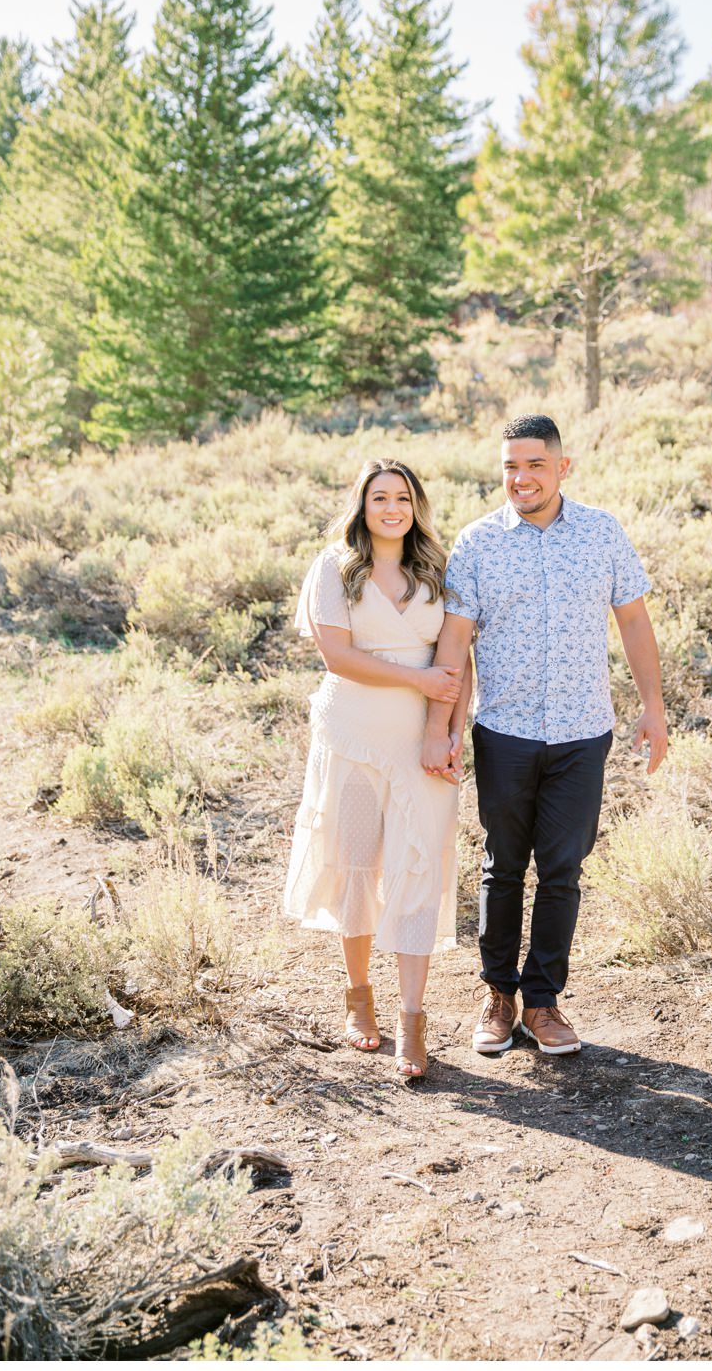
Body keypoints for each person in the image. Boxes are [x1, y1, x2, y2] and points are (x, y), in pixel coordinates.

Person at [423, 414, 668, 1058]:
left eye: (535, 464)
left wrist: (654, 707)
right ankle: (498, 995)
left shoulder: (601, 532)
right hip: (503, 731)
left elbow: (635, 623)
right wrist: (447, 727)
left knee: (563, 870)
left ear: (563, 467)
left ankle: (543, 1001)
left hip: (583, 733)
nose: (521, 477)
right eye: (510, 465)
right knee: (503, 867)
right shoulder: (476, 543)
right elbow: (454, 643)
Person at [282, 459, 465, 1082]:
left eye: (404, 498)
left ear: (417, 505)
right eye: (380, 497)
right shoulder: (333, 568)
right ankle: (360, 998)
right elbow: (337, 654)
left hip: (423, 740)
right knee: (358, 868)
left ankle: (412, 1023)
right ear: (362, 505)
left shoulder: (439, 569)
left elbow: (458, 659)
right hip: (354, 735)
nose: (393, 508)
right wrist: (418, 678)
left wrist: (449, 731)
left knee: (419, 869)